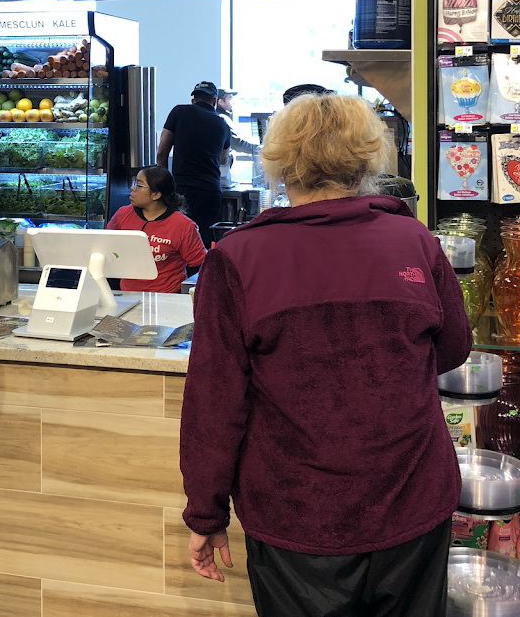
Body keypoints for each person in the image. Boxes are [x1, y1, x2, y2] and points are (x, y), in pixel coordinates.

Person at [179, 93, 472, 617]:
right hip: (413, 500)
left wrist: (206, 514)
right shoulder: (413, 239)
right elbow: (453, 347)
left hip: (297, 513)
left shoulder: (238, 258)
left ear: (281, 163)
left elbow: (214, 404)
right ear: (366, 160)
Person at [107, 165, 207, 293]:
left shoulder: (183, 225)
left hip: (168, 296)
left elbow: (199, 265)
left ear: (155, 194)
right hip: (127, 295)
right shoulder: (122, 215)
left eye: (139, 185)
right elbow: (106, 249)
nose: (132, 188)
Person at [157, 81, 231, 247]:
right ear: (214, 102)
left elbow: (161, 152)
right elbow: (223, 160)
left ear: (193, 100)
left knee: (178, 241)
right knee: (203, 243)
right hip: (210, 191)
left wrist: (163, 186)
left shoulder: (179, 111)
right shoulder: (223, 125)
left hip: (182, 190)